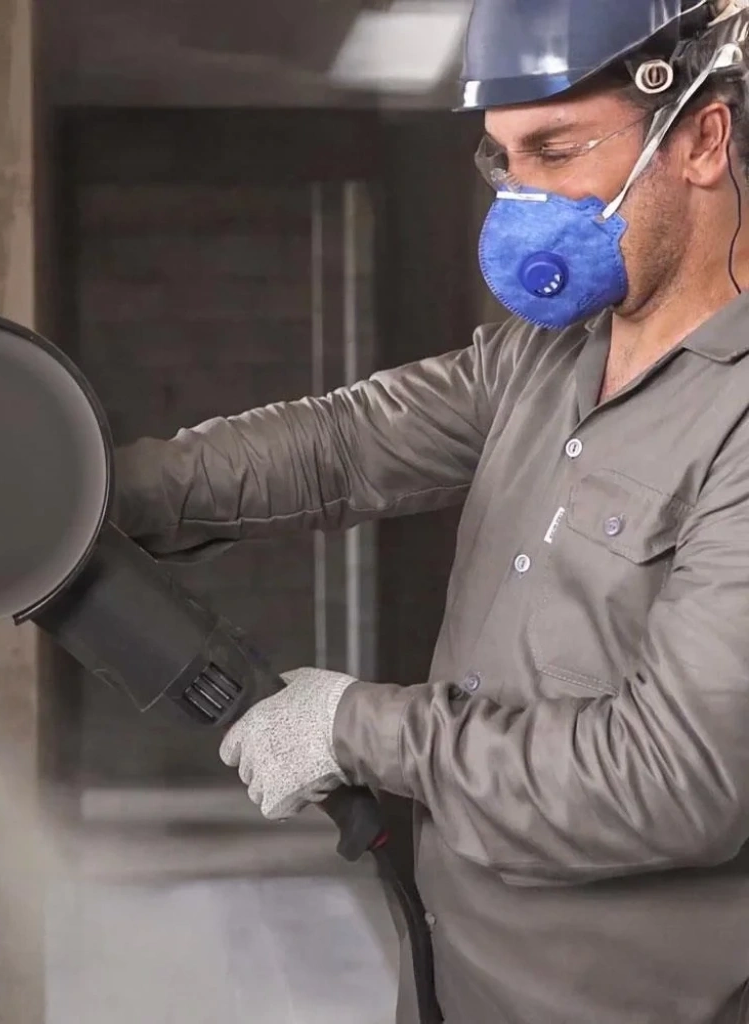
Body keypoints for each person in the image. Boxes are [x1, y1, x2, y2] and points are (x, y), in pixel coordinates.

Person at [112, 2, 749, 1021]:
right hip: (456, 974)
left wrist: (355, 728)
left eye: (555, 150)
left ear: (703, 140)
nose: (521, 198)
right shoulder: (551, 351)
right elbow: (345, 443)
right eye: (503, 159)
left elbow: (674, 780)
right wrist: (101, 489)